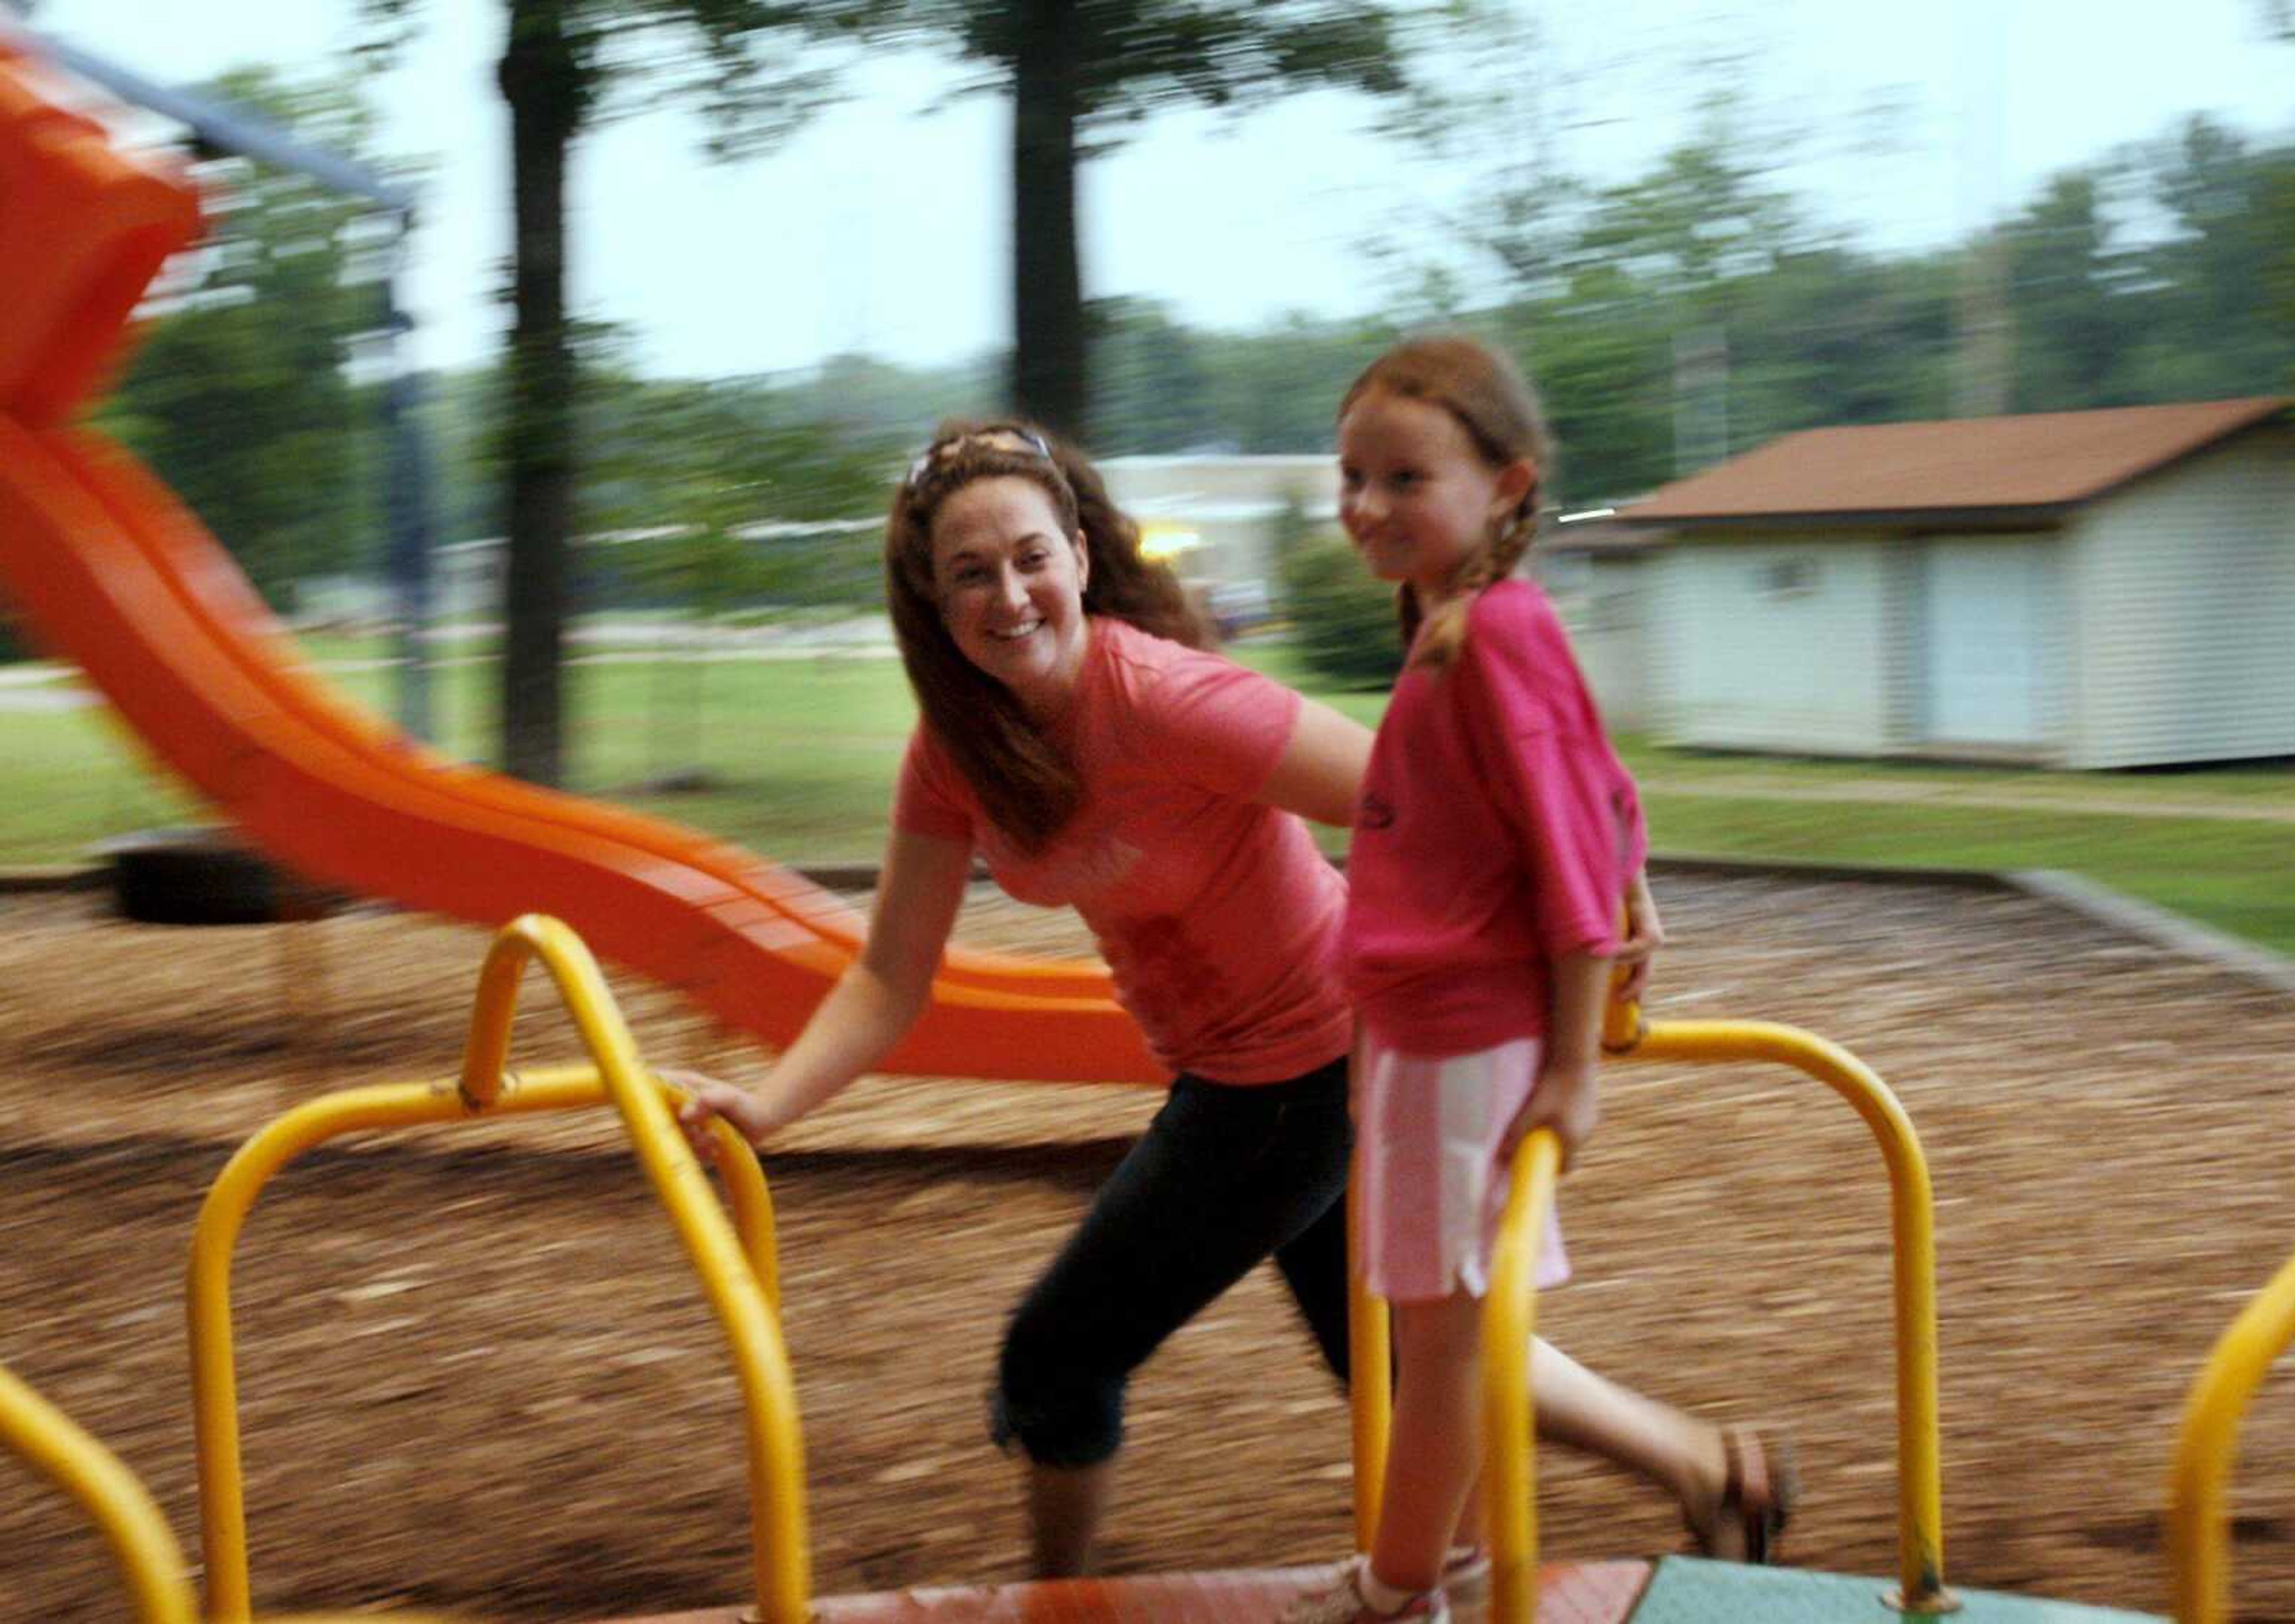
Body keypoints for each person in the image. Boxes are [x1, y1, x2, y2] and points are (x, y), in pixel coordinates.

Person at [670, 417, 1769, 1583]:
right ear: (931, 602)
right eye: (971, 573)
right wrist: (771, 1106)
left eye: (1032, 557)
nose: (1010, 595)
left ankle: (1058, 1606)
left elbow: (1433, 781)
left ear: (1082, 556)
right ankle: (1709, 1467)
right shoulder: (958, 753)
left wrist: (1609, 853)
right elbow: (893, 972)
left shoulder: (1163, 703)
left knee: (1058, 1357)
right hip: (1244, 1069)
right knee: (1389, 1355)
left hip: (1304, 1070)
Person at [1284, 335, 1794, 1624]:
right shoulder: (1461, 624)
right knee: (1443, 1336)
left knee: (1441, 1344)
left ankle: (1402, 1587)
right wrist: (1632, 876)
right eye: (1353, 476)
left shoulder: (1493, 634)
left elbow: (1567, 845)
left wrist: (1573, 1064)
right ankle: (1458, 1558)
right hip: (1418, 1027)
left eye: (1405, 478)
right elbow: (1598, 789)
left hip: (1468, 1040)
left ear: (1509, 485)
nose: (1367, 506)